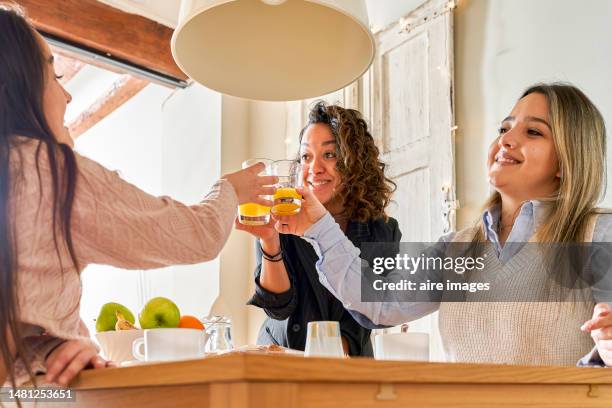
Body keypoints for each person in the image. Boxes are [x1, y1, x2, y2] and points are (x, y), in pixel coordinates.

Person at [0, 4, 276, 387]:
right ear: (17, 82)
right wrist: (231, 191)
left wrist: (46, 350)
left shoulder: (376, 230)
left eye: (328, 155)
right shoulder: (51, 173)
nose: (67, 96)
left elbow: (379, 308)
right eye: (54, 72)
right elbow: (198, 238)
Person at [275, 83, 612, 366]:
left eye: (533, 131)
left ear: (567, 161)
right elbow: (379, 304)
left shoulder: (597, 235)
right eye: (504, 128)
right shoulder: (458, 247)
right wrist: (319, 225)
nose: (506, 140)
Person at [236, 102, 400, 356]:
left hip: (347, 361)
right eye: (306, 156)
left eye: (330, 154)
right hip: (281, 357)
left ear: (354, 162)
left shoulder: (382, 231)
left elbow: (371, 311)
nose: (314, 168)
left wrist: (330, 358)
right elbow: (278, 307)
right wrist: (269, 240)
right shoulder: (283, 214)